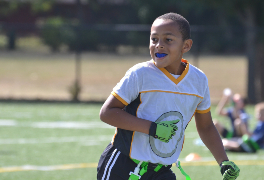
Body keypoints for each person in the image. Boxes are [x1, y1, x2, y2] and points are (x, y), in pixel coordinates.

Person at [97, 12, 240, 180]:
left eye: (168, 40)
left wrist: (223, 161)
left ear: (186, 46)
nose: (159, 45)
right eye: (154, 39)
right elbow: (107, 112)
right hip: (122, 166)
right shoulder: (140, 74)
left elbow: (206, 126)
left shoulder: (198, 80)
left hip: (161, 172)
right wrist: (153, 128)